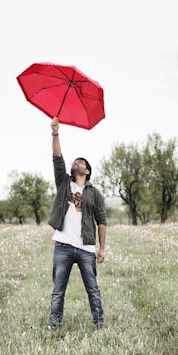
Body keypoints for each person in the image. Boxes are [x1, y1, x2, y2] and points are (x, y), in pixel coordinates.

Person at [47, 116, 106, 329]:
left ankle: (99, 325)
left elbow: (102, 222)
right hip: (62, 245)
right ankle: (54, 327)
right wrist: (55, 133)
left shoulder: (94, 193)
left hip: (86, 248)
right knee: (57, 291)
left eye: (81, 162)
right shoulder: (64, 184)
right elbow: (57, 158)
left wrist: (102, 249)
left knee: (93, 289)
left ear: (87, 171)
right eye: (75, 161)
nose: (77, 162)